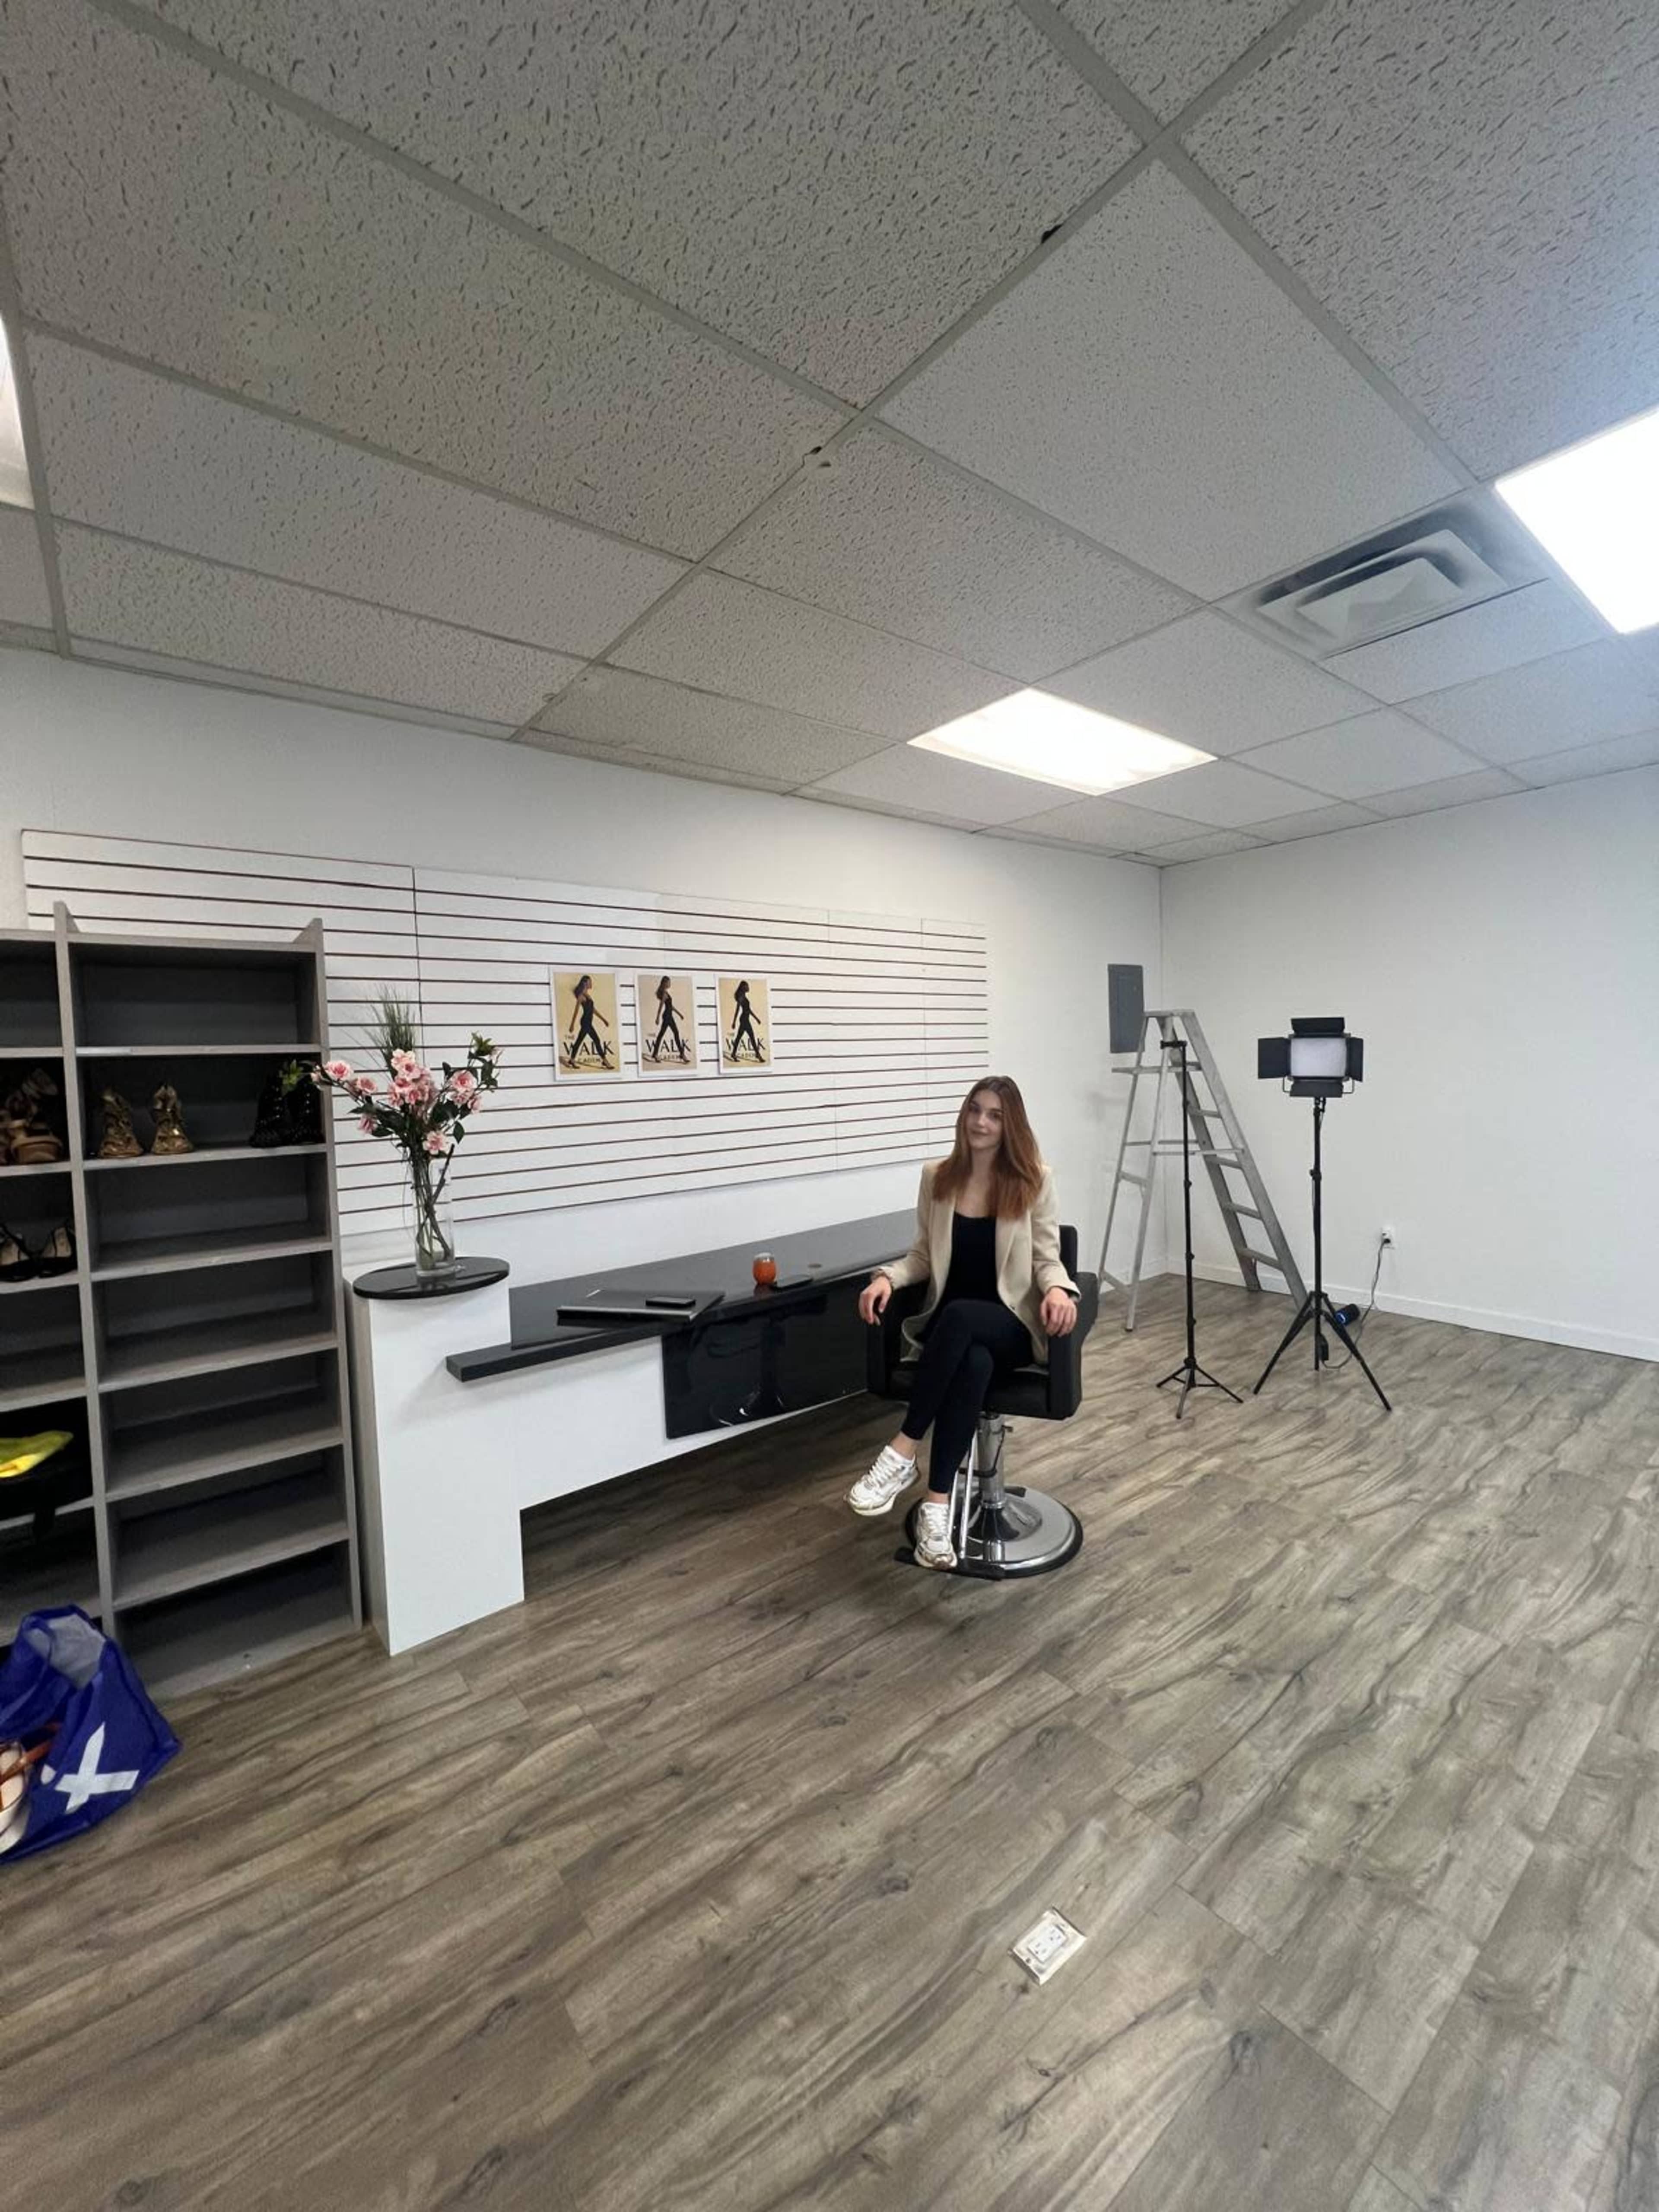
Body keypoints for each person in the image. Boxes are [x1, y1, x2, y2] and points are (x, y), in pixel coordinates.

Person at [850, 1076, 1079, 1570]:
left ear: (1011, 1124)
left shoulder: (1034, 1180)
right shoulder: (937, 1177)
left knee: (962, 1320)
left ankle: (902, 1450)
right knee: (972, 1361)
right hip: (953, 1333)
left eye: (995, 1115)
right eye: (975, 1109)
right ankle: (936, 1508)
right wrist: (887, 1278)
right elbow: (921, 1256)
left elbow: (1046, 1258)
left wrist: (1060, 1289)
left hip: (1008, 1324)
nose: (980, 1122)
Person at [566, 976, 613, 1068]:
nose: (591, 984)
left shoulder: (588, 995)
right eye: (590, 982)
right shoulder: (581, 996)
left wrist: (604, 1020)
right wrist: (572, 1025)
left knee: (580, 1041)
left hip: (588, 1023)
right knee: (596, 1040)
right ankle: (605, 1061)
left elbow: (593, 1010)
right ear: (585, 983)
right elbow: (576, 1011)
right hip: (585, 1022)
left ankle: (572, 1060)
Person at [648, 975, 689, 1063]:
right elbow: (661, 1006)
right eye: (669, 982)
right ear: (665, 983)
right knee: (663, 1034)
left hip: (670, 1016)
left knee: (674, 1033)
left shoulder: (666, 993)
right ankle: (657, 1054)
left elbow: (671, 1006)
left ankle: (681, 1054)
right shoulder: (664, 994)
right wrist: (657, 1018)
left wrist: (679, 1014)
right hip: (667, 1017)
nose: (670, 984)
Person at [728, 979, 765, 1063]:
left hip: (745, 1019)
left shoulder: (744, 997)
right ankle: (758, 1055)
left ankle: (733, 1054)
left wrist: (756, 1019)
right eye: (747, 986)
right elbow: (737, 1010)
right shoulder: (741, 998)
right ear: (744, 987)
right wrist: (734, 1022)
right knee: (752, 1037)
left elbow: (749, 1010)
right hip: (744, 1020)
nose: (748, 987)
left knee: (739, 1038)